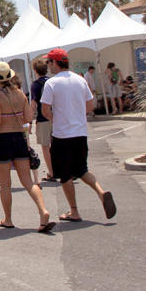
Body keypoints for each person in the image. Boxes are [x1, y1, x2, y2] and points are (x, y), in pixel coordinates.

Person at [40, 49, 117, 223]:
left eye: (49, 62)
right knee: (82, 169)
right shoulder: (80, 80)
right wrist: (75, 114)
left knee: (65, 175)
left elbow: (45, 110)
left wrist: (57, 118)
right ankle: (101, 192)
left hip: (62, 135)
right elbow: (90, 105)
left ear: (54, 63)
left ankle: (74, 210)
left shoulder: (52, 83)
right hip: (80, 133)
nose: (48, 66)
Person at [0, 63, 55, 233]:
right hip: (19, 138)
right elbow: (28, 117)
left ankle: (8, 219)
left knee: (5, 184)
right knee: (27, 181)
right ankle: (43, 211)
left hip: (3, 139)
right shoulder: (20, 95)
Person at [29, 58, 55, 182]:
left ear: (35, 70)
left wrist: (29, 121)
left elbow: (33, 104)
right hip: (56, 117)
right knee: (57, 145)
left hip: (43, 118)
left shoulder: (35, 85)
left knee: (45, 147)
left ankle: (52, 172)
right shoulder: (52, 81)